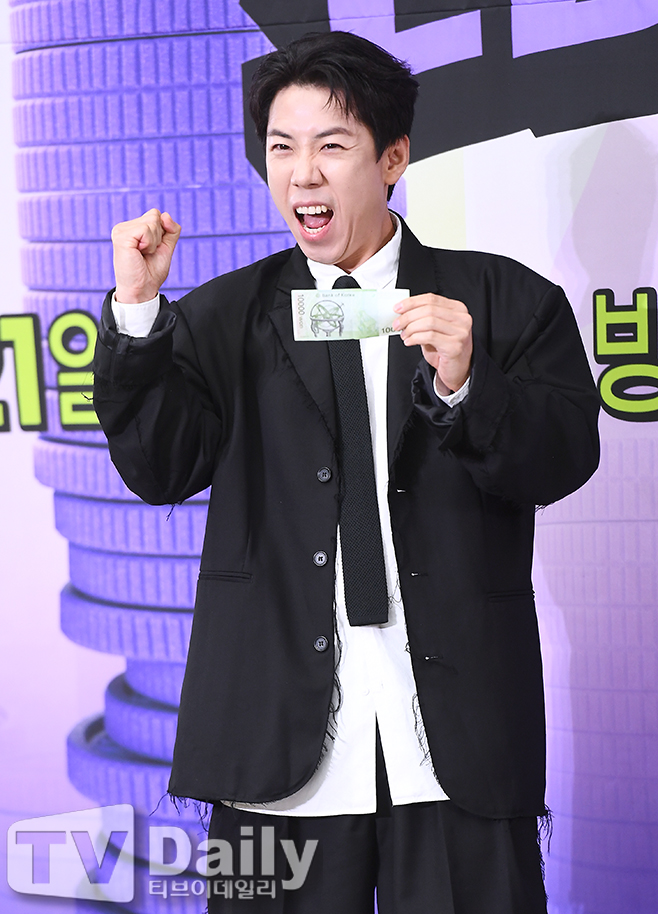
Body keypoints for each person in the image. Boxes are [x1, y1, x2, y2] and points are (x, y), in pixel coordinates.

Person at [93, 30, 600, 913]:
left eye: (331, 147)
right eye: (281, 149)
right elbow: (159, 467)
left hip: (456, 745)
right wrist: (137, 314)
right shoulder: (224, 316)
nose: (302, 176)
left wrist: (469, 386)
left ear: (393, 157)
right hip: (271, 745)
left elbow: (562, 458)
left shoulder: (503, 302)